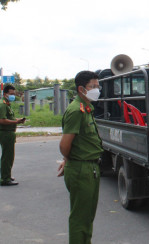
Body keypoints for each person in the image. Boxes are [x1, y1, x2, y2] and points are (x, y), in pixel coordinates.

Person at [58, 71, 103, 244]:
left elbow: (80, 141)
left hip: (89, 167)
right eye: (93, 87)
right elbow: (64, 145)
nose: (97, 90)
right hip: (81, 169)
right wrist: (70, 159)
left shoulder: (86, 108)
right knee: (80, 219)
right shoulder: (76, 110)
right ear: (81, 89)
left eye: (98, 86)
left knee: (87, 217)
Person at [0, 84, 25, 186]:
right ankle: (4, 179)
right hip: (5, 133)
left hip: (9, 133)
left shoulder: (7, 104)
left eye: (13, 93)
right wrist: (15, 122)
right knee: (7, 157)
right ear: (5, 93)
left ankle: (7, 175)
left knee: (9, 156)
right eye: (11, 93)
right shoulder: (2, 105)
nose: (13, 95)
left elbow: (9, 119)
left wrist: (18, 120)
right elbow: (2, 120)